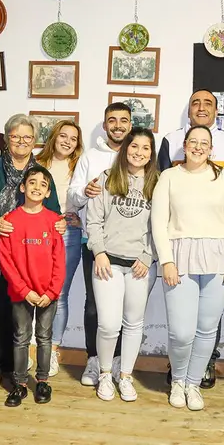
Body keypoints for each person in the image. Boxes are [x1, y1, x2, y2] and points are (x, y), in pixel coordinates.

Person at [0, 114, 64, 394]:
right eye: (15, 136)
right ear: (7, 138)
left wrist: (59, 221)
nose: (21, 142)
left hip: (32, 262)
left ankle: (15, 370)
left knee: (18, 318)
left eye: (27, 137)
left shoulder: (41, 176)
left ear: (34, 142)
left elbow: (55, 210)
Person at [158, 89, 224, 388]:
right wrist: (166, 260)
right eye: (193, 143)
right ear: (183, 146)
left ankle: (194, 383)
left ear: (212, 149)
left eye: (204, 144)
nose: (198, 147)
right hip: (179, 256)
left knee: (207, 328)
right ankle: (179, 379)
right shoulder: (168, 177)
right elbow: (159, 221)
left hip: (217, 257)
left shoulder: (223, 178)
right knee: (181, 332)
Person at [87, 128, 159, 402]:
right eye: (134, 147)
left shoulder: (157, 183)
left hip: (139, 265)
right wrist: (99, 252)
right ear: (125, 148)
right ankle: (105, 373)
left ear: (151, 153)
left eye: (145, 148)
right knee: (108, 324)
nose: (139, 153)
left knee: (133, 324)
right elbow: (93, 221)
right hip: (108, 262)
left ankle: (125, 375)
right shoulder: (107, 179)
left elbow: (161, 226)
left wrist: (148, 255)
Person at [68, 103, 133, 386]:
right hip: (93, 243)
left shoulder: (139, 155)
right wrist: (85, 191)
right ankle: (94, 361)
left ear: (131, 125)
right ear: (105, 125)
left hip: (130, 246)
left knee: (125, 307)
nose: (118, 125)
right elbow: (72, 197)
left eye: (123, 120)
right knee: (95, 305)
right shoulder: (90, 157)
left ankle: (118, 363)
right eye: (112, 120)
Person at [0, 166, 66, 407]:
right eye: (33, 182)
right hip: (21, 294)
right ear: (23, 187)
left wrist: (51, 292)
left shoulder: (54, 222)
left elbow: (60, 261)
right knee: (20, 338)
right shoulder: (10, 222)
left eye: (43, 184)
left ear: (48, 192)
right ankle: (19, 384)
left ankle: (43, 381)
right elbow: (6, 262)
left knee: (45, 338)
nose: (37, 187)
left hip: (48, 294)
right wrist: (24, 290)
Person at [36, 120, 84, 377]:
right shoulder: (37, 164)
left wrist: (80, 218)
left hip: (68, 234)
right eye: (62, 135)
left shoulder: (80, 166)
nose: (67, 141)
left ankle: (52, 350)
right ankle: (33, 349)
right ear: (53, 137)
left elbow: (92, 198)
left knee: (58, 294)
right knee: (32, 291)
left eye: (73, 138)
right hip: (37, 235)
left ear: (78, 144)